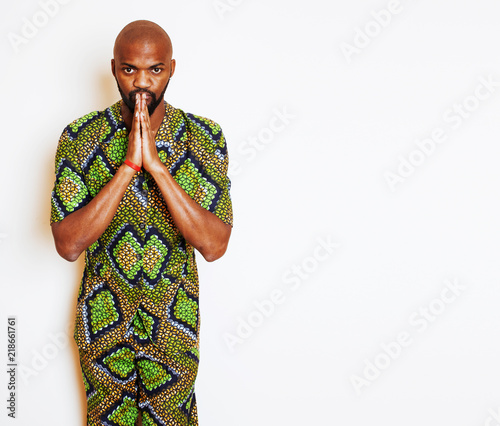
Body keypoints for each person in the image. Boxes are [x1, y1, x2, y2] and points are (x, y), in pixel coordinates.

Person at [50, 19, 233, 426]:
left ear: (171, 68)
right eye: (129, 69)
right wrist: (129, 166)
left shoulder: (204, 137)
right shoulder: (81, 136)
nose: (141, 83)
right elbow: (67, 244)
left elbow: (214, 245)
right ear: (114, 68)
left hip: (173, 325)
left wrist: (157, 168)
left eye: (155, 69)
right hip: (103, 324)